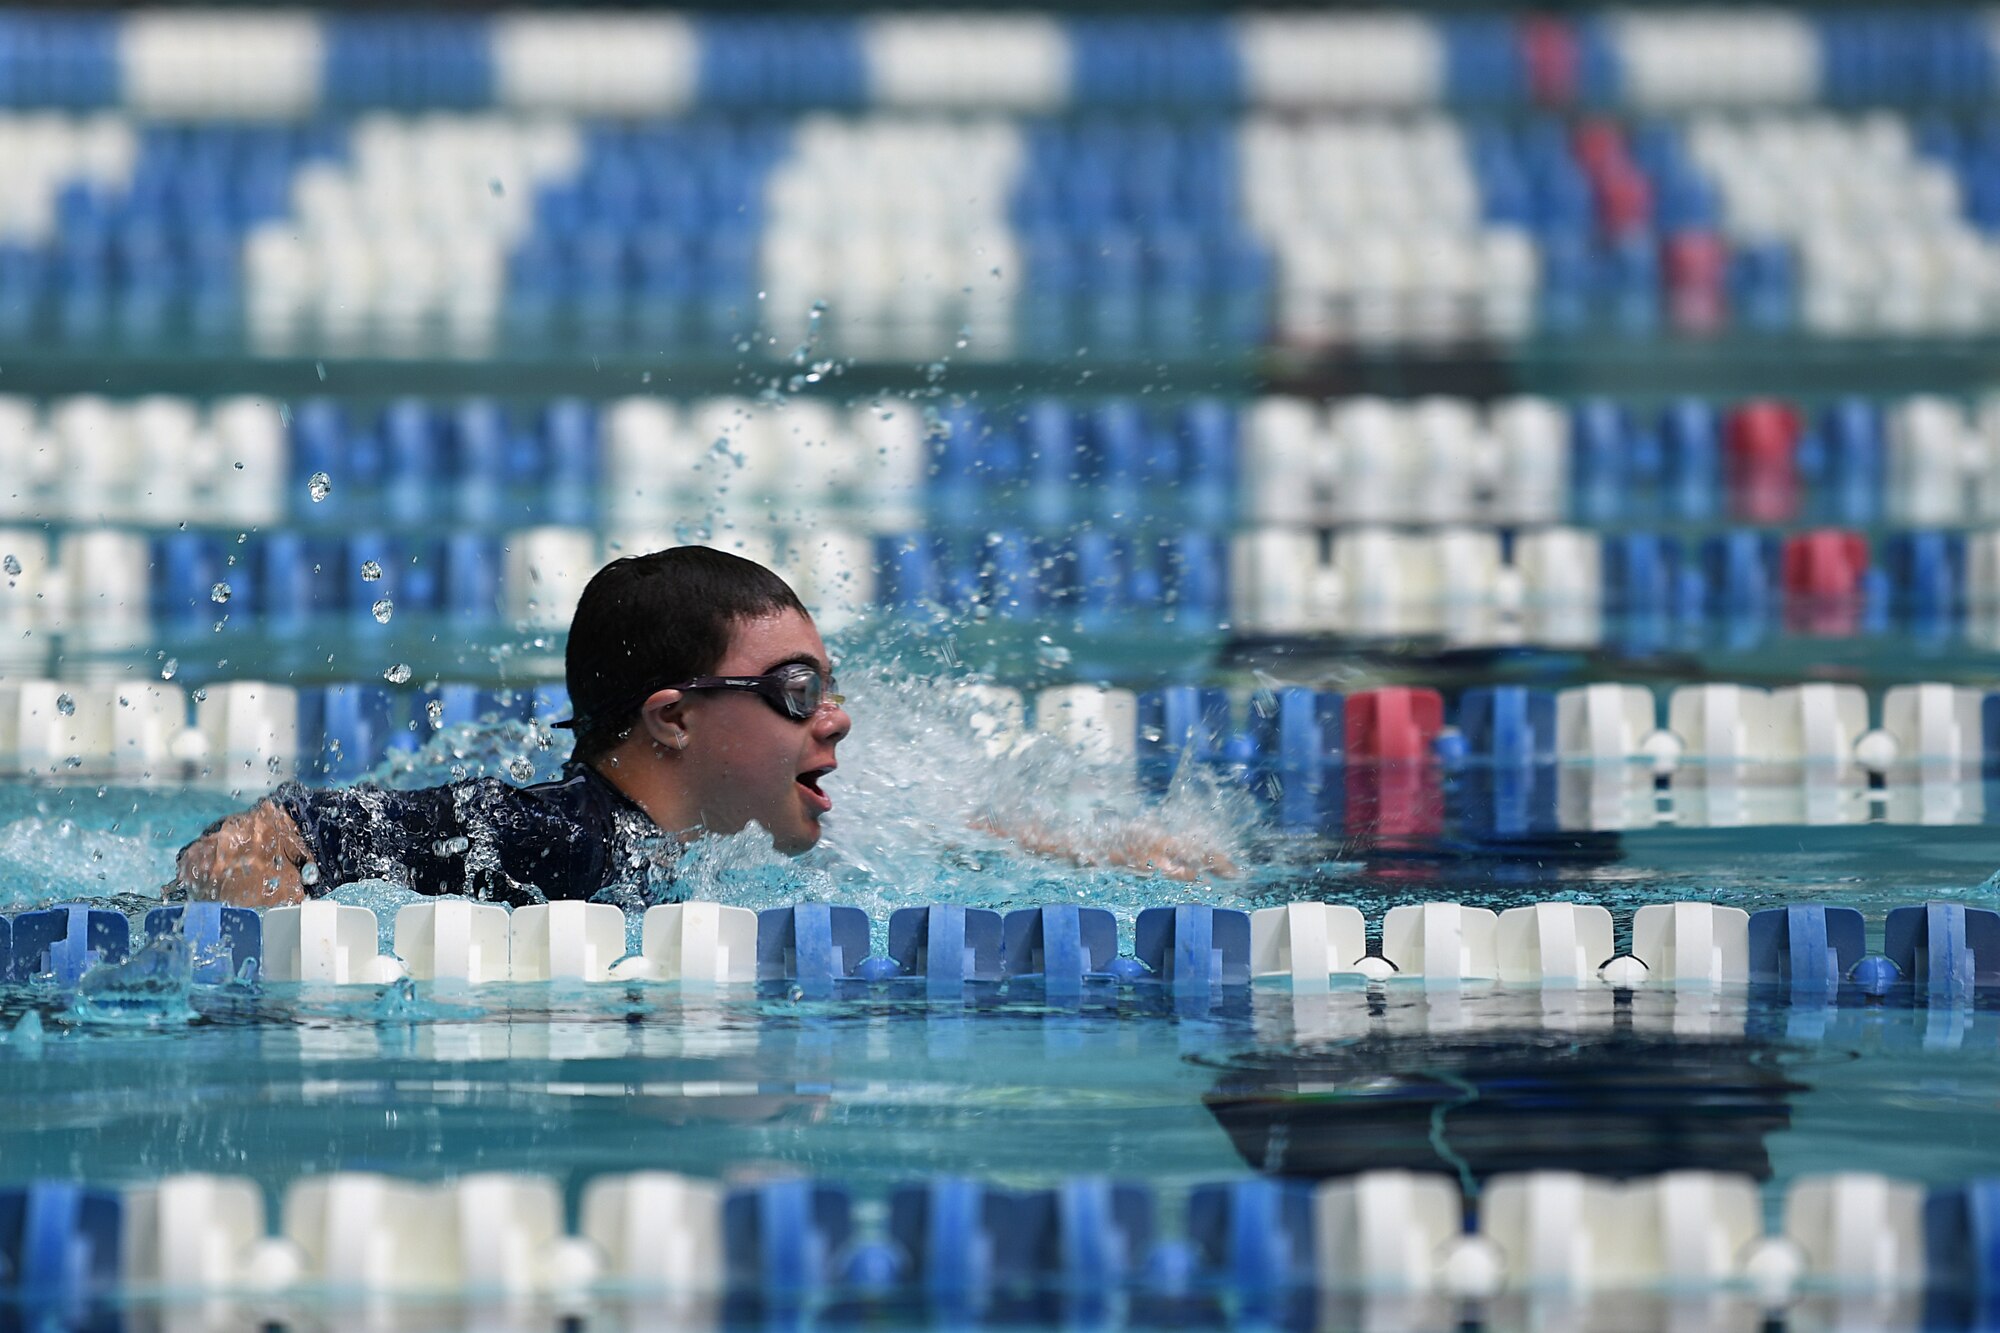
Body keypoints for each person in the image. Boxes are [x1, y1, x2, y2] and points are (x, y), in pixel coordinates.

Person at [175, 546, 850, 907]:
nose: (837, 717)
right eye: (799, 688)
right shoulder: (552, 836)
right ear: (673, 718)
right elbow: (249, 841)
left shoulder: (672, 858)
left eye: (830, 684)